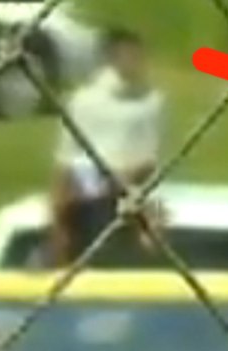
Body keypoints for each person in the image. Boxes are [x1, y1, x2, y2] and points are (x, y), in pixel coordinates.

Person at [49, 27, 165, 268]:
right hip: (87, 193)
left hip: (133, 191)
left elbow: (150, 155)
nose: (136, 62)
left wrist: (127, 178)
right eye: (128, 55)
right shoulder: (85, 101)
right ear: (111, 57)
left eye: (138, 55)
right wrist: (60, 213)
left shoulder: (151, 101)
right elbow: (66, 157)